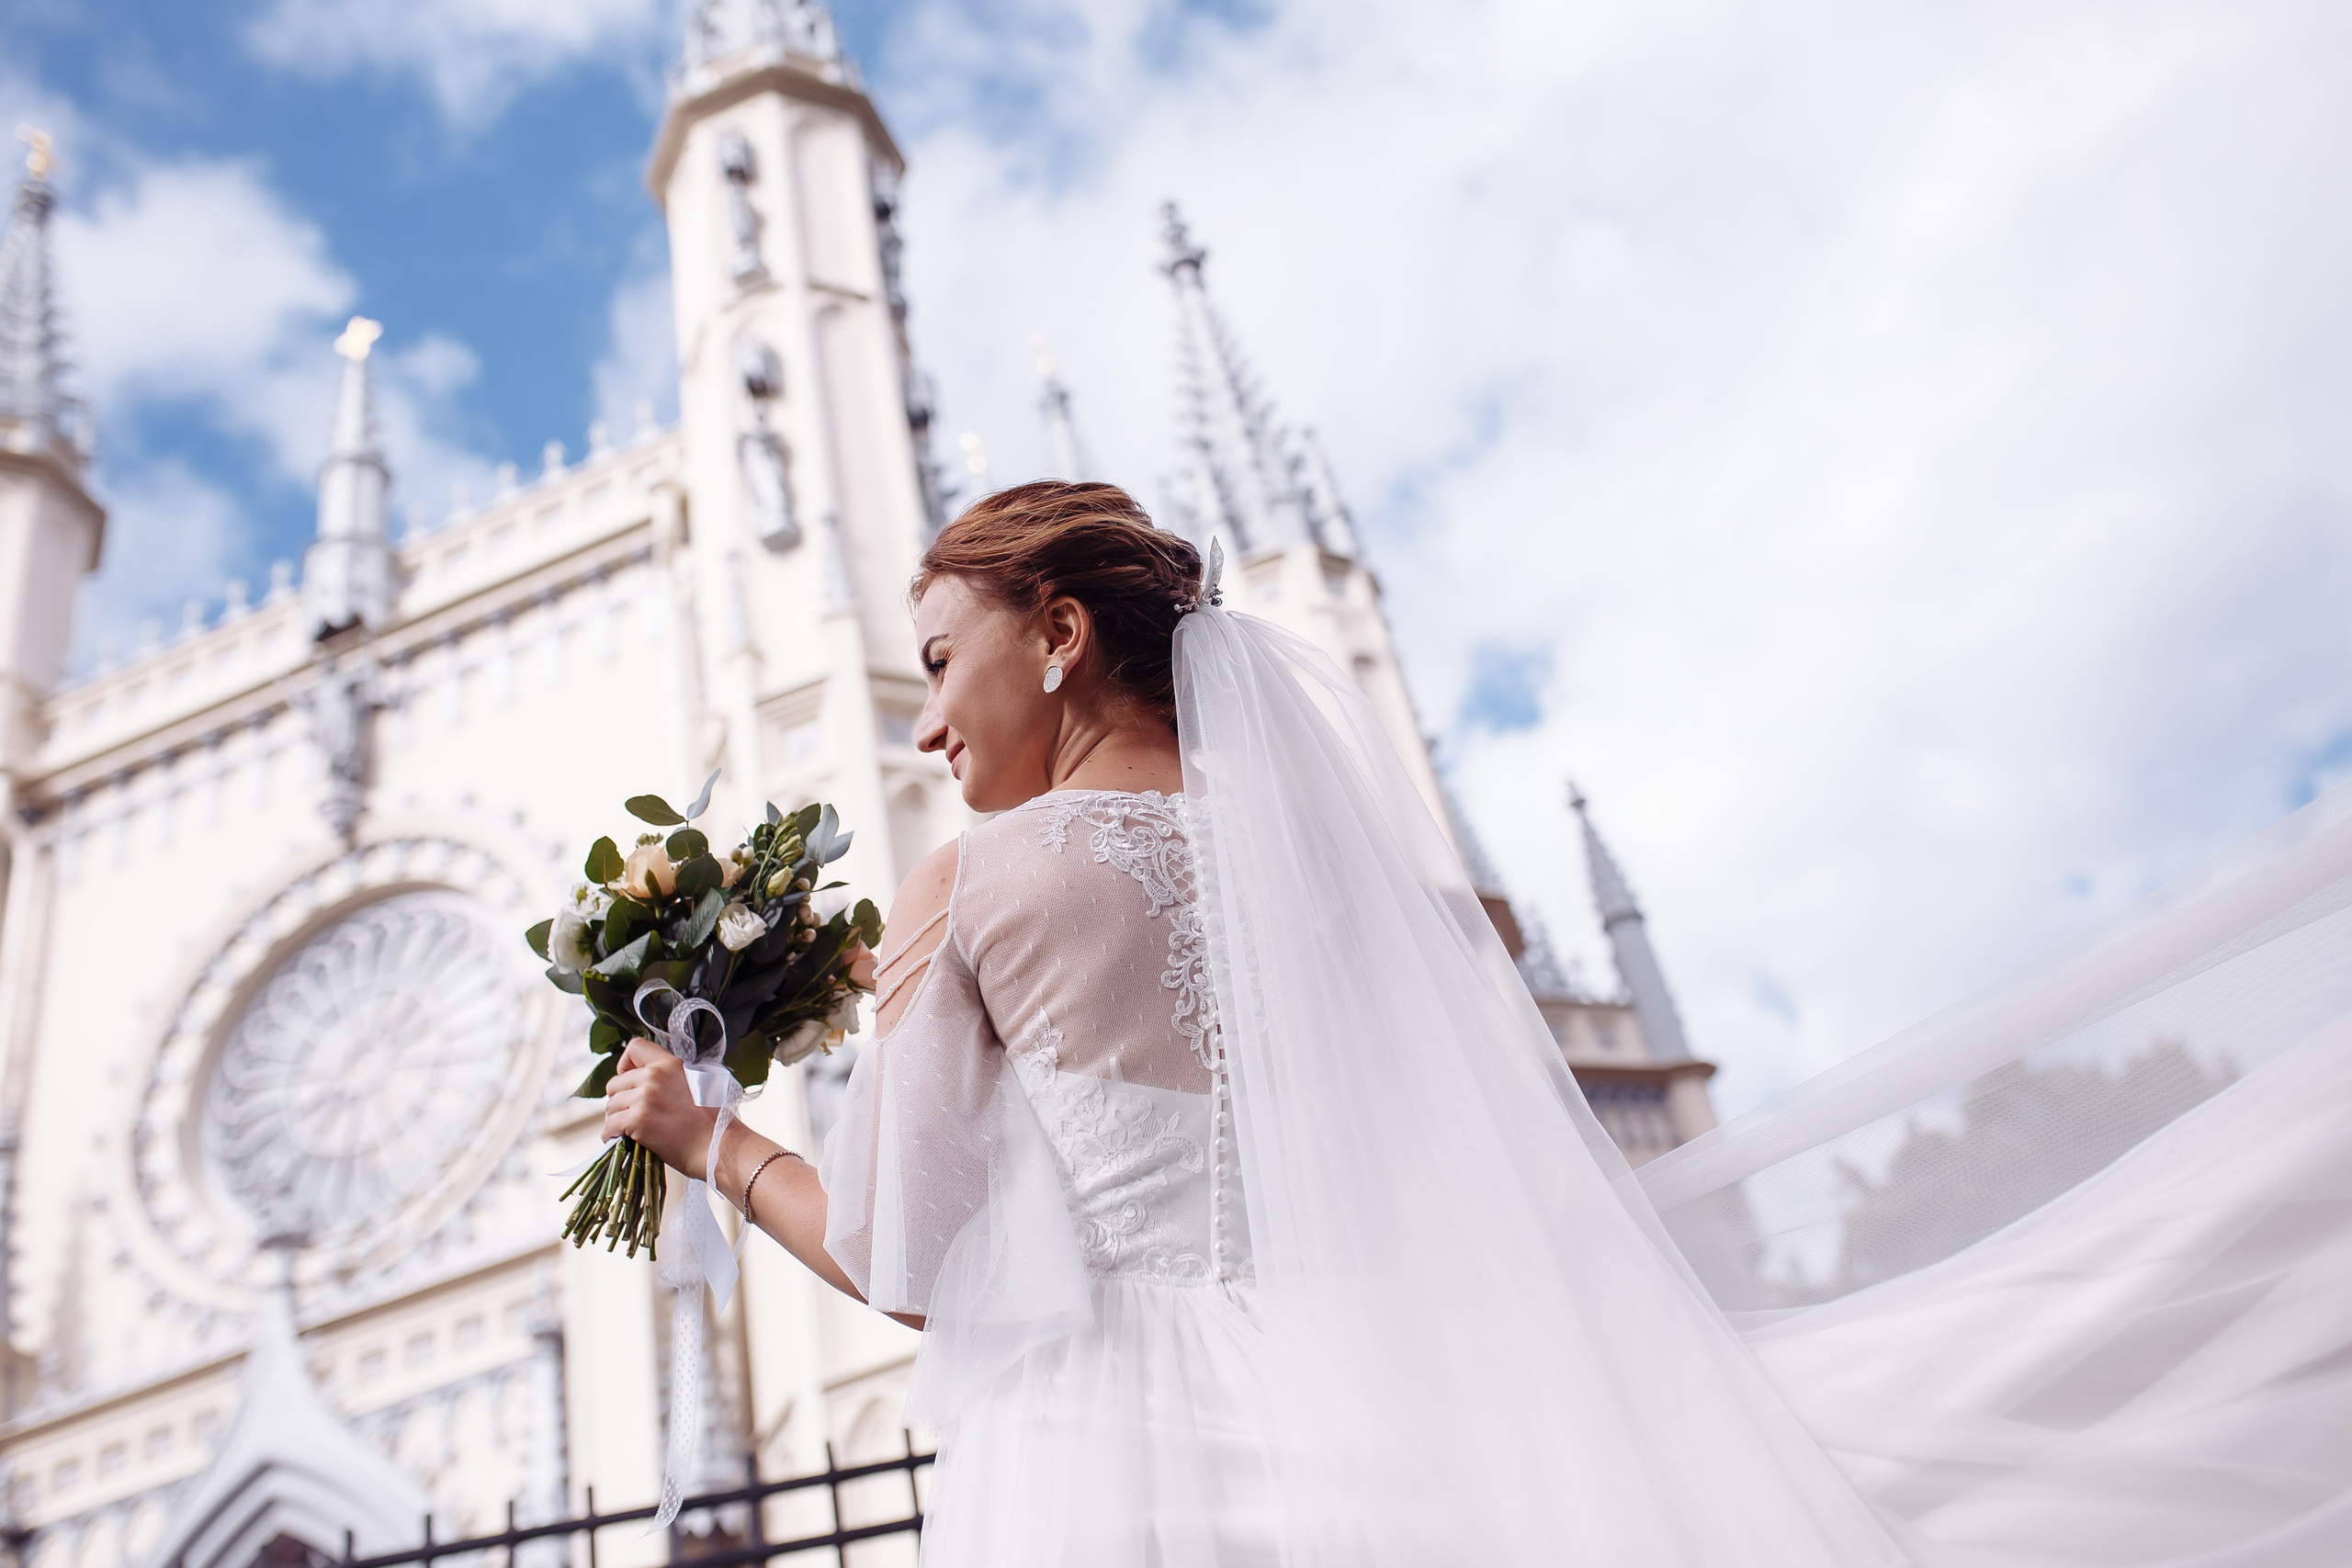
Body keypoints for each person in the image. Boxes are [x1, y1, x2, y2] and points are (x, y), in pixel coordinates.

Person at [603, 481, 2352, 1565]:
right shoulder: (1372, 903)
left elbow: (912, 1257)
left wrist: (715, 1139)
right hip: (1427, 1400)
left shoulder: (968, 880)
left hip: (1129, 1453)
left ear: (1057, 635)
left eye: (936, 661)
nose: (923, 727)